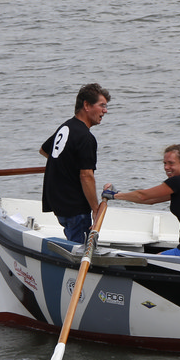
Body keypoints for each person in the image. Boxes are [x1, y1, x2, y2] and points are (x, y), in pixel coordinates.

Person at [101, 145, 180, 258]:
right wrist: (118, 194)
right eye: (164, 163)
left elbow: (142, 196)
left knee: (151, 263)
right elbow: (151, 200)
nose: (166, 167)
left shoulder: (178, 181)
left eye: (171, 163)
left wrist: (114, 195)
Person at [39, 83, 110, 243]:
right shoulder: (86, 138)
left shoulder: (66, 127)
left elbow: (45, 150)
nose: (105, 111)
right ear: (87, 105)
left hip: (58, 204)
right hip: (75, 207)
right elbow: (86, 176)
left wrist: (65, 166)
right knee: (81, 249)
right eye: (102, 106)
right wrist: (95, 209)